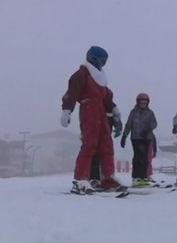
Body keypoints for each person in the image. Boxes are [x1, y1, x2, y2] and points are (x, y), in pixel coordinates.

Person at [60, 45, 123, 195]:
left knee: (106, 146)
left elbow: (107, 97)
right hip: (89, 110)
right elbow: (72, 91)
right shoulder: (83, 74)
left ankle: (108, 177)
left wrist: (113, 110)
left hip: (101, 112)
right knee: (89, 144)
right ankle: (80, 179)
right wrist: (67, 110)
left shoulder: (100, 79)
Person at [121, 93, 157, 187]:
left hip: (146, 138)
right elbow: (129, 124)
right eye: (142, 102)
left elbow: (154, 123)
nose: (143, 104)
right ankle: (136, 177)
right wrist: (124, 136)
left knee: (144, 158)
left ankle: (143, 177)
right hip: (136, 138)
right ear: (138, 102)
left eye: (145, 102)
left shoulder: (150, 113)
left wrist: (148, 129)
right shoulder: (134, 112)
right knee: (138, 157)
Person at [89, 102, 123, 188]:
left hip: (105, 136)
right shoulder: (93, 103)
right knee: (94, 156)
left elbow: (116, 117)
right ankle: (94, 178)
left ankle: (108, 177)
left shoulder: (109, 105)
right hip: (94, 136)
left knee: (107, 156)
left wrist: (118, 127)